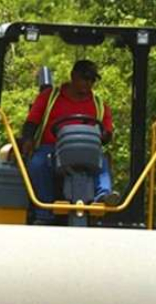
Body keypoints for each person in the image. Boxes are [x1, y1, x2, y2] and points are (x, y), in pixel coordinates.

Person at [19, 60, 120, 224]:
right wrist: (28, 139)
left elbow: (107, 131)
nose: (88, 83)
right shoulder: (50, 97)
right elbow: (32, 122)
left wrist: (104, 135)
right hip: (52, 149)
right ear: (73, 76)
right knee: (37, 163)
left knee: (102, 161)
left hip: (88, 150)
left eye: (91, 80)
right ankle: (44, 211)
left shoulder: (100, 105)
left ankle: (103, 197)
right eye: (84, 78)